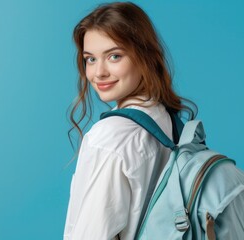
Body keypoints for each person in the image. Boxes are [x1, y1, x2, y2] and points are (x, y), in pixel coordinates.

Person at [63, 2, 196, 240]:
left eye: (114, 56)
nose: (98, 72)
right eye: (90, 59)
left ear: (144, 56)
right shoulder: (166, 118)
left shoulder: (109, 137)